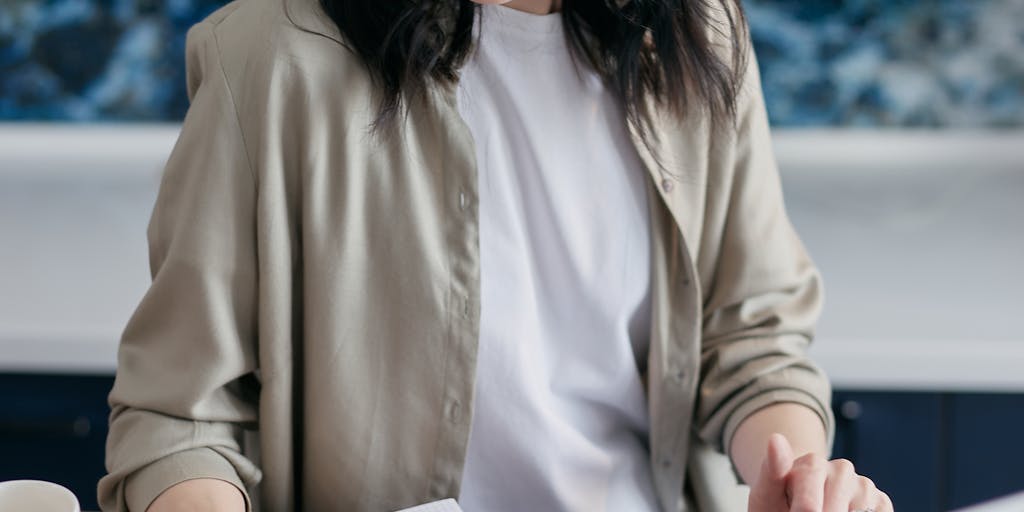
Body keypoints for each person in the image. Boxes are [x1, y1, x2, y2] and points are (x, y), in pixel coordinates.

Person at [99, 0, 892, 511]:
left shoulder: (697, 32)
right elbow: (179, 417)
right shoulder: (274, 57)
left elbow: (752, 341)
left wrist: (794, 479)